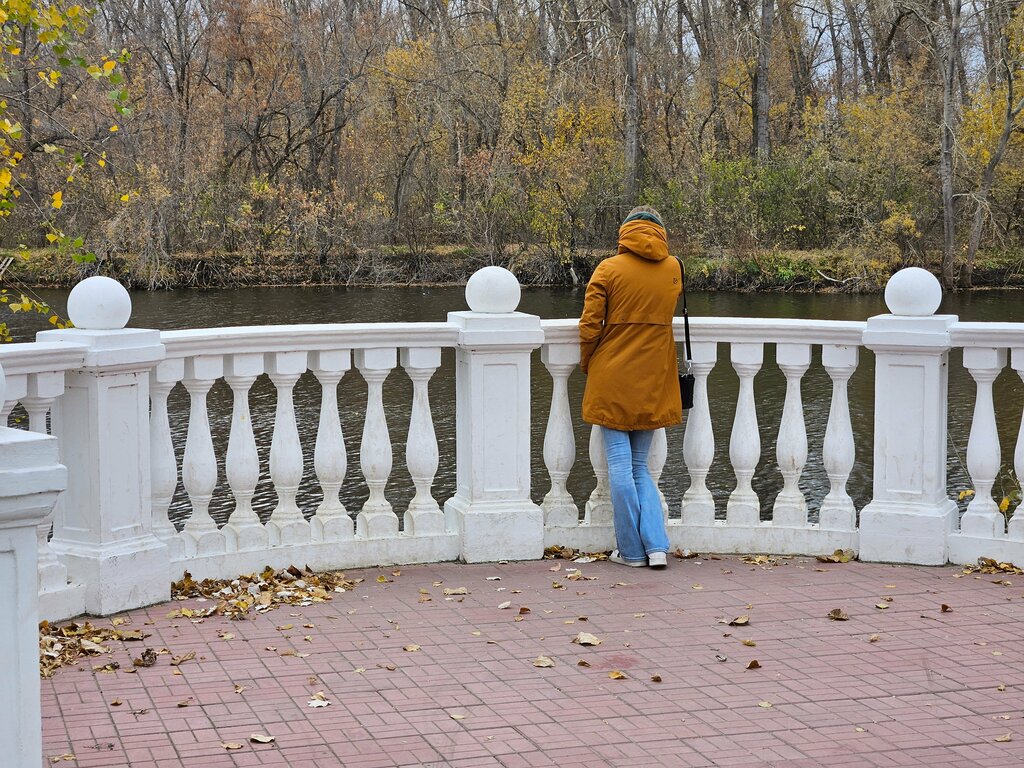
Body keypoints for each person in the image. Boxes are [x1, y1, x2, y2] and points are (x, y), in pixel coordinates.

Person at [578, 205, 682, 569]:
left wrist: (588, 360)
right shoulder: (674, 269)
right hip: (656, 375)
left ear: (624, 233)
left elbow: (590, 325)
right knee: (640, 467)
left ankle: (632, 551)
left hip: (613, 374)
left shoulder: (608, 269)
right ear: (661, 231)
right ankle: (656, 546)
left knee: (620, 466)